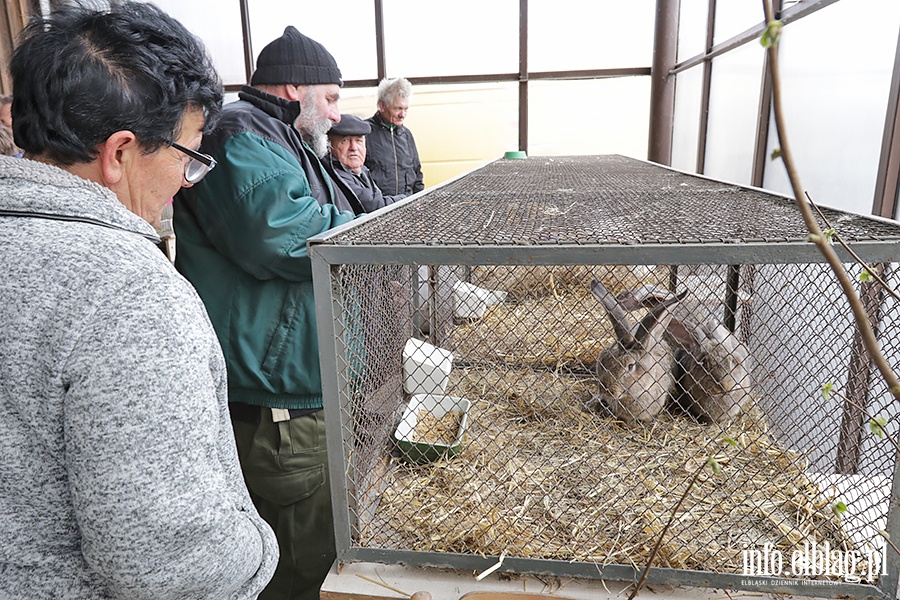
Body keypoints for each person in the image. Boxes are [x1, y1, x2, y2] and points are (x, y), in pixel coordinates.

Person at [0, 3, 278, 599]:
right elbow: (164, 562)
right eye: (188, 155)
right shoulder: (129, 294)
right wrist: (259, 550)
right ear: (120, 153)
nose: (186, 178)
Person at [174, 26, 361, 600]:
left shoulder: (283, 136)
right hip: (274, 395)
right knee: (299, 560)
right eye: (329, 96)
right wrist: (379, 233)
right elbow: (281, 235)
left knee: (315, 535)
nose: (336, 112)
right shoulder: (240, 136)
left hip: (296, 386)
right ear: (292, 87)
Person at [328, 113, 405, 212]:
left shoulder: (362, 170)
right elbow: (374, 205)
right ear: (330, 146)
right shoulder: (336, 174)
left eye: (358, 141)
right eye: (345, 141)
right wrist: (406, 200)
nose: (354, 148)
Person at [365, 77, 425, 197]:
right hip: (377, 210)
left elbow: (417, 174)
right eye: (398, 108)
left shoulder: (407, 135)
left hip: (406, 208)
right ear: (382, 106)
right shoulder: (365, 132)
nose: (402, 114)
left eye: (406, 109)